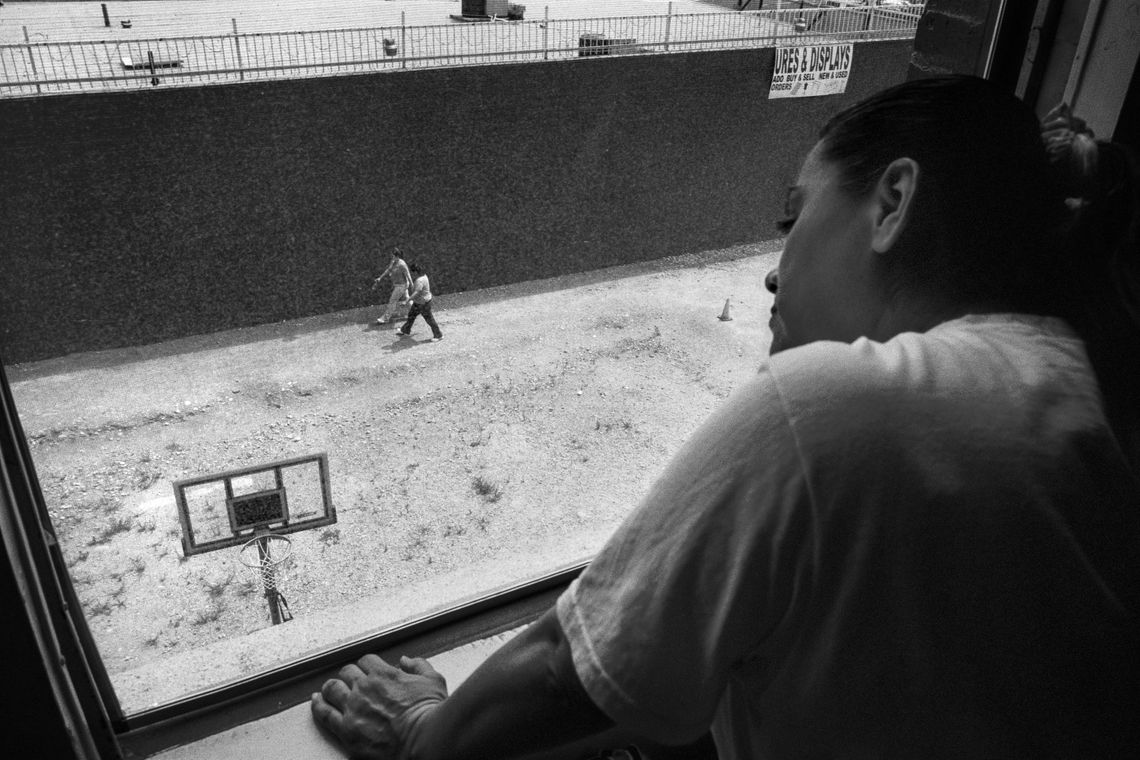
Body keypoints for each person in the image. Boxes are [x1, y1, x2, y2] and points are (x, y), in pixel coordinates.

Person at [312, 76, 1140, 759]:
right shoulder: (1080, 382)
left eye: (795, 215)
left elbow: (571, 664)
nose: (774, 276)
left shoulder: (831, 407)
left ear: (892, 201)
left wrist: (424, 731)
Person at [396, 263, 443, 342]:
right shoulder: (424, 276)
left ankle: (438, 335)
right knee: (411, 315)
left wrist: (407, 300)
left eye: (411, 272)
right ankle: (405, 330)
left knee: (429, 319)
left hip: (423, 304)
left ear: (415, 272)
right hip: (419, 302)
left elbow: (417, 292)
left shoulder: (419, 280)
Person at [374, 247, 412, 325]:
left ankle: (385, 318)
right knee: (407, 298)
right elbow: (388, 270)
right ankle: (415, 310)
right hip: (398, 284)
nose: (391, 257)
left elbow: (408, 275)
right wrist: (380, 278)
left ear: (397, 256)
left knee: (392, 301)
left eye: (392, 255)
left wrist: (412, 285)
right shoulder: (393, 261)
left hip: (401, 286)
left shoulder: (402, 264)